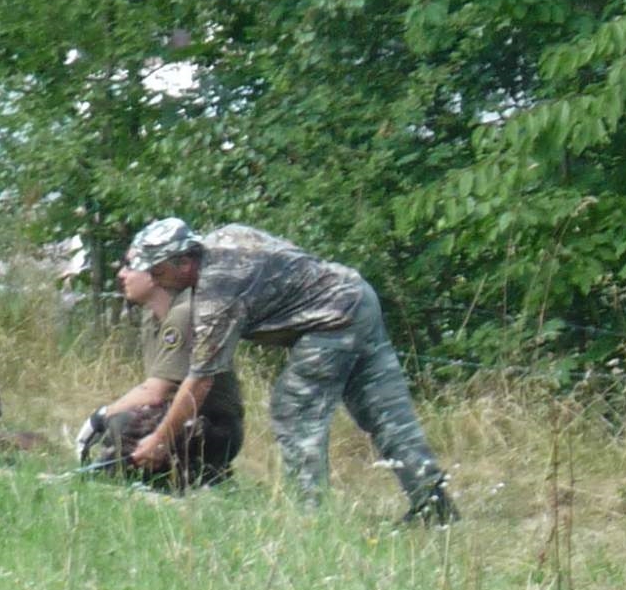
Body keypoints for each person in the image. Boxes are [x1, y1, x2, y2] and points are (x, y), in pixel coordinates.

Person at [118, 218, 456, 521]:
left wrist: (160, 440)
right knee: (387, 412)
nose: (156, 279)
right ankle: (433, 503)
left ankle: (310, 514)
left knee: (294, 408)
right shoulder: (224, 237)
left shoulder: (217, 295)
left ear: (184, 262)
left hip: (333, 319)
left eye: (158, 271)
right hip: (358, 295)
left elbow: (200, 382)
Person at [76, 256, 244, 488]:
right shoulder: (152, 318)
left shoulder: (184, 314)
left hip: (215, 426)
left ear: (154, 274)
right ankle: (162, 479)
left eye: (131, 267)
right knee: (124, 421)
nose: (122, 274)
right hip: (187, 418)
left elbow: (156, 391)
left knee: (121, 423)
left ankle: (192, 478)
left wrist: (99, 418)